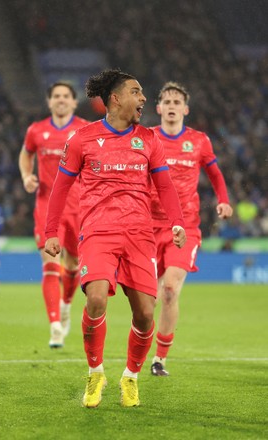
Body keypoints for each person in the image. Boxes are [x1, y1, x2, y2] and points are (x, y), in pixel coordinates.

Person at [44, 69, 187, 408]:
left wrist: (176, 222)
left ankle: (130, 377)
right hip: (97, 231)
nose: (142, 99)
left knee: (145, 314)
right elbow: (61, 187)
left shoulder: (148, 139)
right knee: (95, 299)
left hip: (140, 234)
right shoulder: (83, 139)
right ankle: (95, 373)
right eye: (136, 92)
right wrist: (51, 232)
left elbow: (164, 186)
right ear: (115, 98)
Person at [149, 82, 233, 377]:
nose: (171, 105)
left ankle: (159, 359)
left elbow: (214, 173)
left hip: (184, 228)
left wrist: (223, 200)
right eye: (166, 101)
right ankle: (138, 350)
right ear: (158, 108)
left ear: (185, 109)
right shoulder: (147, 139)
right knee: (147, 299)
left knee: (170, 290)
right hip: (147, 227)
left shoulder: (198, 141)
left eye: (177, 102)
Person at [19, 82, 88, 348]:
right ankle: (55, 326)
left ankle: (67, 304)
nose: (60, 100)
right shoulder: (37, 131)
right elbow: (25, 155)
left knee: (72, 266)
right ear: (49, 102)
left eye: (65, 96)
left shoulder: (85, 130)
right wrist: (27, 176)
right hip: (46, 207)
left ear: (73, 102)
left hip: (78, 207)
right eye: (56, 96)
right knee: (50, 264)